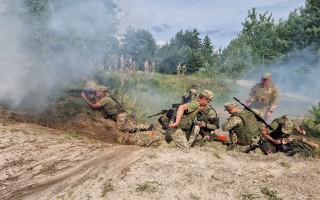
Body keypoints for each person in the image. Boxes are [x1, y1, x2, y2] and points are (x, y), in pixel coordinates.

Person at [80, 86, 152, 133]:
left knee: (122, 128)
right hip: (121, 114)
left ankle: (139, 130)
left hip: (120, 116)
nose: (96, 92)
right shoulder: (106, 98)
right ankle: (148, 126)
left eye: (98, 91)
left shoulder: (105, 99)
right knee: (131, 124)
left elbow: (94, 106)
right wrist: (94, 97)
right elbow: (98, 103)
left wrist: (84, 97)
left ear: (103, 92)